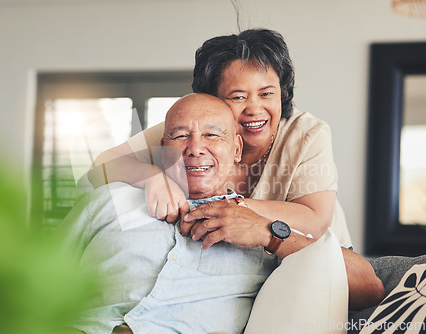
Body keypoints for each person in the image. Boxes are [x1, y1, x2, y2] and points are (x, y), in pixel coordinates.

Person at [62, 94, 384, 334]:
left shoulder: (258, 230)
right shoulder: (110, 200)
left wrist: (267, 233)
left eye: (213, 135)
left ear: (237, 149)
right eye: (180, 135)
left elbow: (368, 286)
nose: (195, 148)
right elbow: (32, 281)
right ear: (162, 146)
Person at [87, 28, 351, 245]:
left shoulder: (306, 133)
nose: (255, 109)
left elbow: (314, 219)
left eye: (267, 93)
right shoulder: (189, 131)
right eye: (238, 96)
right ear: (211, 99)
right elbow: (100, 167)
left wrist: (231, 209)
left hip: (317, 257)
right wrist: (151, 177)